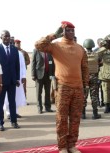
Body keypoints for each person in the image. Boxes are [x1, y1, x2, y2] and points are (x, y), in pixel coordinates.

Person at [35, 21, 89, 153]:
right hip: (63, 87)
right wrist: (54, 34)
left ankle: (72, 145)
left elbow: (85, 68)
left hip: (78, 88)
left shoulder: (80, 48)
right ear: (63, 32)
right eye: (68, 30)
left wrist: (85, 85)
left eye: (72, 30)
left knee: (75, 118)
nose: (71, 32)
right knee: (61, 119)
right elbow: (38, 45)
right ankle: (63, 147)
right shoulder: (55, 46)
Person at [0, 30, 20, 131]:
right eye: (5, 36)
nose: (7, 38)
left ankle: (14, 121)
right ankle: (0, 123)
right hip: (0, 82)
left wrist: (17, 78)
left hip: (12, 81)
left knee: (12, 102)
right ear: (1, 37)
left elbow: (16, 65)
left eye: (8, 36)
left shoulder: (14, 49)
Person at [4, 47, 27, 119]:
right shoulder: (4, 52)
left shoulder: (19, 53)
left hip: (17, 78)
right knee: (7, 97)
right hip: (6, 78)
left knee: (16, 96)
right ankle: (8, 113)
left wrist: (23, 76)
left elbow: (23, 66)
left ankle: (15, 112)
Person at [82, 39, 101, 119]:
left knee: (84, 96)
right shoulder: (96, 55)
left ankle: (83, 114)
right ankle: (95, 114)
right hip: (94, 78)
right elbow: (100, 64)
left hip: (84, 78)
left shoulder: (82, 55)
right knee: (94, 96)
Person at [31, 48, 55, 114]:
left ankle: (48, 107)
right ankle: (39, 108)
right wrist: (33, 74)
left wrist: (53, 74)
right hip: (39, 75)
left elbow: (53, 63)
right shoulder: (36, 50)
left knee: (47, 92)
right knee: (39, 92)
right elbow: (33, 62)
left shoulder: (49, 51)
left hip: (48, 75)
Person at [14, 39, 30, 104]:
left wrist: (22, 63)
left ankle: (24, 100)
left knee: (23, 87)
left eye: (19, 43)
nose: (18, 44)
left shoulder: (24, 52)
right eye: (16, 43)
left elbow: (28, 61)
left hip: (23, 73)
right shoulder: (13, 51)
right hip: (15, 73)